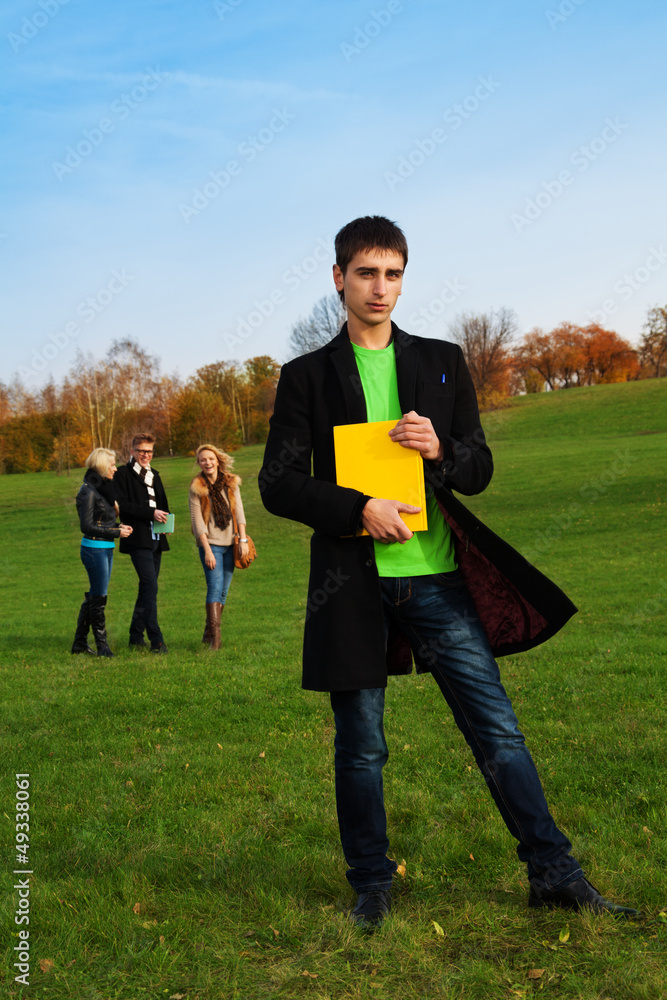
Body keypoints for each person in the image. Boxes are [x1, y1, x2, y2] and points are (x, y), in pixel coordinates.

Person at [259, 215, 639, 929]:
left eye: (393, 274)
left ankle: (552, 873)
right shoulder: (304, 377)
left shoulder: (441, 360)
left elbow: (480, 469)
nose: (380, 288)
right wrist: (356, 508)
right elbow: (277, 484)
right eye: (366, 273)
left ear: (403, 278)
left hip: (435, 579)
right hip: (351, 585)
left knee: (497, 733)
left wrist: (439, 452)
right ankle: (371, 885)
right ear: (338, 278)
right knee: (361, 747)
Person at [72, 448, 133, 657]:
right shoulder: (87, 491)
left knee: (93, 598)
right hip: (93, 550)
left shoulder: (103, 489)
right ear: (101, 466)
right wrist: (116, 532)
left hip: (105, 548)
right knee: (99, 598)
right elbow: (87, 526)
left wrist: (118, 527)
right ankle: (102, 647)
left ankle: (79, 644)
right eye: (112, 465)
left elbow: (103, 521)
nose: (115, 469)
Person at [114, 433, 171, 654]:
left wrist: (167, 522)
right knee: (150, 586)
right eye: (141, 451)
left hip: (157, 538)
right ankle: (156, 640)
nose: (145, 455)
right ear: (132, 451)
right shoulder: (122, 474)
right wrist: (152, 513)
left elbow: (163, 503)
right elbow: (123, 506)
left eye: (149, 451)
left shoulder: (154, 474)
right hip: (137, 538)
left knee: (146, 588)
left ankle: (135, 636)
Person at [188, 444, 249, 649]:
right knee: (214, 588)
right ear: (199, 463)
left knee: (223, 591)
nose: (207, 463)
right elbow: (197, 522)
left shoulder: (231, 483)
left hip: (231, 543)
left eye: (211, 459)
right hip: (211, 545)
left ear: (217, 460)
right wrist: (206, 551)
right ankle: (216, 640)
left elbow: (239, 513)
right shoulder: (197, 487)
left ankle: (207, 635)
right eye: (203, 459)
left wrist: (242, 540)